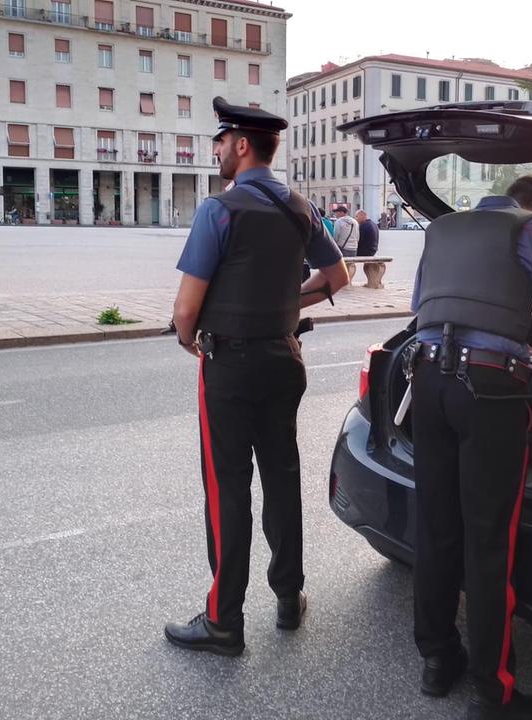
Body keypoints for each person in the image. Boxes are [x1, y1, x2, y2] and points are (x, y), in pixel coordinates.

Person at [166, 97, 350, 657]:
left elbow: (184, 311)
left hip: (231, 364)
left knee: (227, 488)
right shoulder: (300, 207)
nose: (216, 150)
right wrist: (281, 303)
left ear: (242, 145)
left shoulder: (219, 210)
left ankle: (224, 622)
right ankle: (288, 597)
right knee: (282, 476)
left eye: (220, 141)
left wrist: (188, 338)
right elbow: (337, 275)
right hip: (284, 357)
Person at [408, 175, 532, 720]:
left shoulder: (444, 229)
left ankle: (438, 660)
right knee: (487, 541)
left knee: (436, 527)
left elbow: (424, 311)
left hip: (426, 380)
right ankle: (494, 691)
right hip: (489, 391)